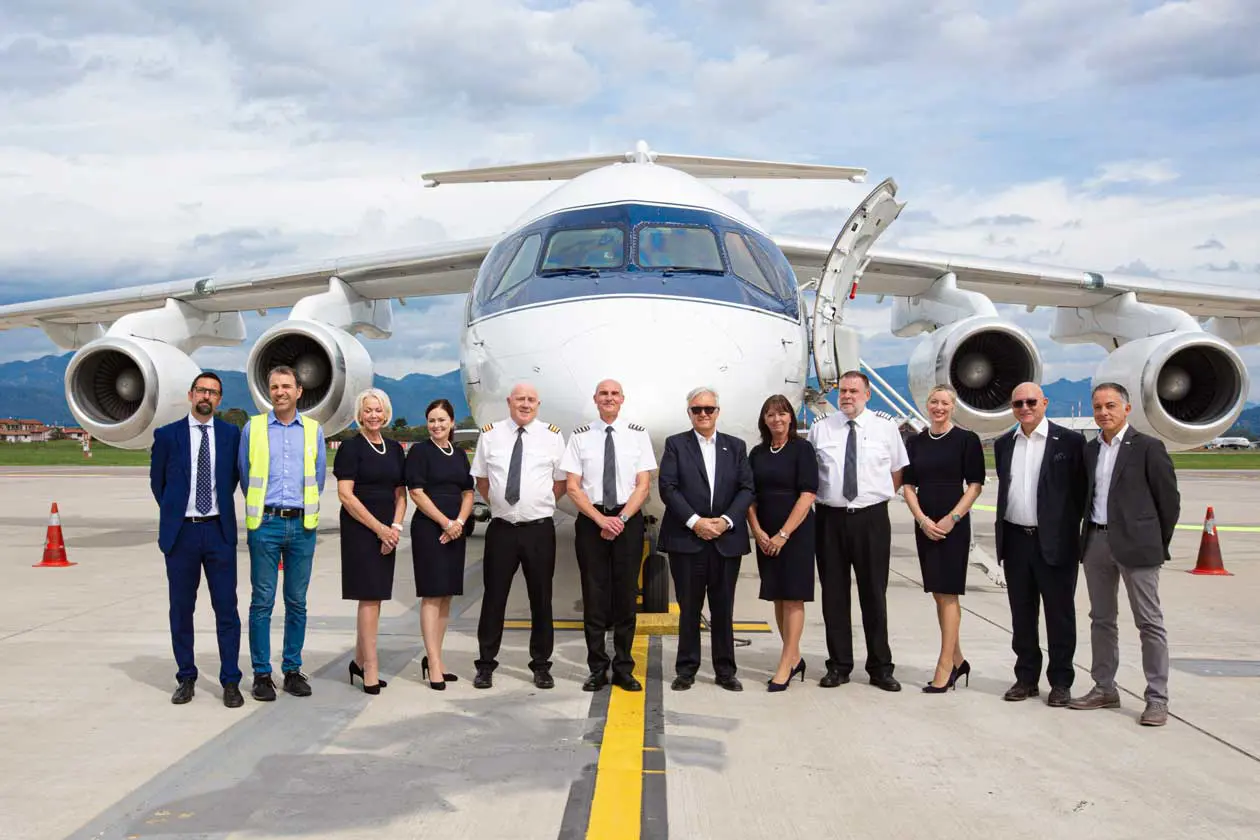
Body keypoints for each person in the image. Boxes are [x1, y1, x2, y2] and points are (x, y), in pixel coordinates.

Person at [1070, 383, 1180, 727]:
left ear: (1127, 409)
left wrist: (1155, 542)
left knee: (1149, 622)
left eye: (1111, 406)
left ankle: (1157, 699)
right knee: (1101, 620)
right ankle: (1104, 687)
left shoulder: (1148, 447)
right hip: (1097, 542)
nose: (1104, 412)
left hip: (1138, 546)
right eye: (1099, 406)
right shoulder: (1090, 450)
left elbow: (1169, 502)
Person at [808, 370, 909, 692]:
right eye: (843, 391)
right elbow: (812, 476)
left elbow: (896, 472)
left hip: (871, 520)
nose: (847, 396)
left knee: (874, 595)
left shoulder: (885, 428)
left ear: (868, 394)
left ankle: (880, 667)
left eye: (854, 391)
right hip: (830, 519)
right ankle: (838, 665)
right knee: (834, 596)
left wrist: (871, 498)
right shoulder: (821, 429)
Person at [148, 372, 243, 707]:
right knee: (181, 609)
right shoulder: (168, 435)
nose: (207, 396)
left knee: (226, 609)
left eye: (214, 392)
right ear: (190, 395)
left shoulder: (231, 435)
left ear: (219, 400)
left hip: (218, 531)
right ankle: (186, 676)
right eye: (202, 390)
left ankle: (230, 680)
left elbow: (231, 479)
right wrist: (178, 512)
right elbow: (158, 484)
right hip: (182, 533)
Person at [993, 381, 1087, 706]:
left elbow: (1082, 493)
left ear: (1044, 402)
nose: (1025, 408)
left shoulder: (1071, 442)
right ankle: (1026, 678)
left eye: (1031, 401)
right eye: (1018, 403)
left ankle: (1061, 681)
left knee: (1059, 615)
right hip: (1016, 539)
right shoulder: (1005, 443)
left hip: (1055, 542)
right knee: (1022, 614)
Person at [560, 379, 657, 693]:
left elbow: (643, 484)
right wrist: (601, 518)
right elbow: (573, 486)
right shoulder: (580, 437)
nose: (609, 398)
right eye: (604, 393)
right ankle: (597, 668)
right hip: (592, 520)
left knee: (626, 596)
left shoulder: (638, 436)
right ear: (595, 399)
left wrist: (621, 518)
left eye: (614, 394)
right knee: (594, 595)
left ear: (622, 399)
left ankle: (624, 668)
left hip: (626, 519)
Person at [470, 382, 567, 689]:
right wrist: (501, 503)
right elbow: (482, 479)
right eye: (520, 399)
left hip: (538, 530)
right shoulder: (490, 434)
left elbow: (561, 482)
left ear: (538, 404)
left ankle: (541, 665)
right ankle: (486, 664)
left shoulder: (552, 436)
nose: (525, 404)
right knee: (494, 599)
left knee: (541, 599)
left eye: (531, 400)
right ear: (509, 402)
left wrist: (537, 504)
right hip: (501, 530)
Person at [238, 365, 327, 701]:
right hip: (266, 524)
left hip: (302, 526)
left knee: (297, 602)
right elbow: (246, 477)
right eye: (274, 387)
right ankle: (262, 673)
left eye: (286, 386)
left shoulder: (313, 430)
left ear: (298, 391)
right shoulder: (254, 428)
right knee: (262, 601)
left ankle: (292, 669)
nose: (280, 392)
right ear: (268, 392)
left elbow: (318, 479)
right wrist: (263, 513)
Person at [658, 386, 755, 692]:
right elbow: (668, 487)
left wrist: (726, 522)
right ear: (689, 413)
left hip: (725, 540)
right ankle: (686, 669)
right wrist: (695, 522)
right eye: (697, 409)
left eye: (708, 409)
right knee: (689, 607)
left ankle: (725, 670)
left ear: (717, 412)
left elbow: (746, 488)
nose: (703, 414)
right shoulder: (675, 445)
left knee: (723, 608)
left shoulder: (736, 446)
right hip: (688, 540)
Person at [900, 385, 985, 693]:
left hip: (953, 523)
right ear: (927, 405)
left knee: (948, 594)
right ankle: (959, 660)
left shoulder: (967, 440)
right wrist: (921, 519)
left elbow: (975, 485)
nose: (938, 407)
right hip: (925, 523)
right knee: (938, 593)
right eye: (934, 402)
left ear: (953, 406)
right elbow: (908, 486)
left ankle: (945, 665)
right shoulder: (916, 442)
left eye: (944, 402)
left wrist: (953, 518)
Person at [334, 388, 406, 695]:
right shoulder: (351, 448)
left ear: (386, 413)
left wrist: (395, 528)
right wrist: (379, 529)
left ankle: (359, 659)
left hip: (388, 529)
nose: (373, 415)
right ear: (359, 414)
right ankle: (370, 668)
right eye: (368, 410)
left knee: (377, 595)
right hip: (361, 528)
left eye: (378, 410)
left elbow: (400, 494)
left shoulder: (394, 448)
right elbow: (345, 495)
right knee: (369, 596)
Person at [746, 394, 818, 692]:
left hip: (796, 532)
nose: (777, 419)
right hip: (766, 532)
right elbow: (747, 494)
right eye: (771, 415)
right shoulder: (758, 453)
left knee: (794, 597)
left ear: (791, 417)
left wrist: (783, 534)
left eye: (782, 414)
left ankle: (785, 663)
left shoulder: (802, 450)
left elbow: (808, 494)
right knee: (777, 595)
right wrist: (758, 531)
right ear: (764, 420)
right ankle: (795, 656)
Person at [406, 398, 475, 691]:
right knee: (432, 596)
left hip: (454, 530)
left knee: (447, 596)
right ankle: (433, 663)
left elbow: (468, 493)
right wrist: (445, 523)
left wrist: (458, 522)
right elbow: (417, 494)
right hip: (429, 530)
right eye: (432, 420)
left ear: (452, 424)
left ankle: (437, 657)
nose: (436, 425)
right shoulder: (420, 452)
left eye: (442, 420)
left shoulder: (459, 454)